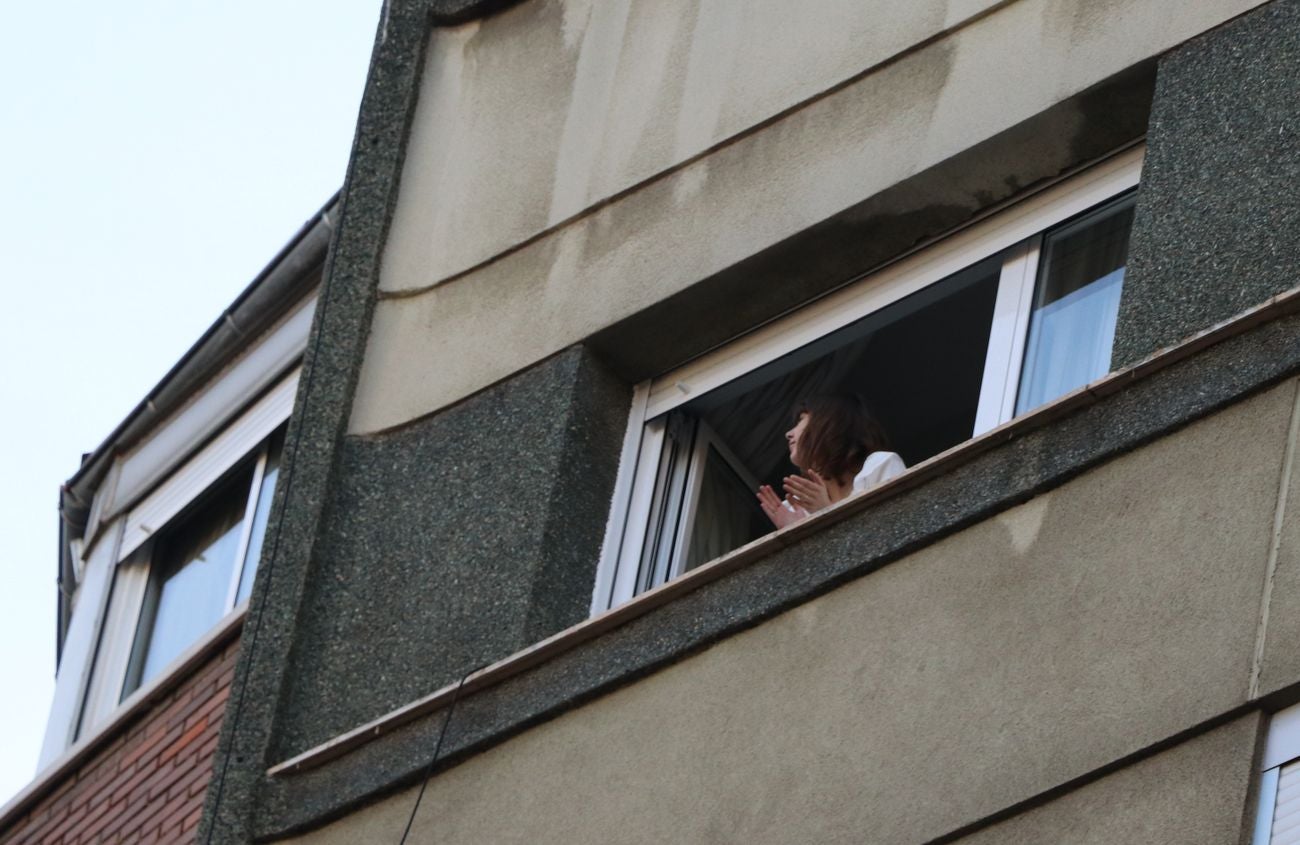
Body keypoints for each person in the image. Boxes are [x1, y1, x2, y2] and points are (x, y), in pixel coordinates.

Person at [756, 393, 905, 529]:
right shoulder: (797, 507)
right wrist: (796, 535)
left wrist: (826, 514)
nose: (788, 434)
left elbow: (896, 533)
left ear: (830, 422)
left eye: (800, 420)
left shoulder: (879, 466)